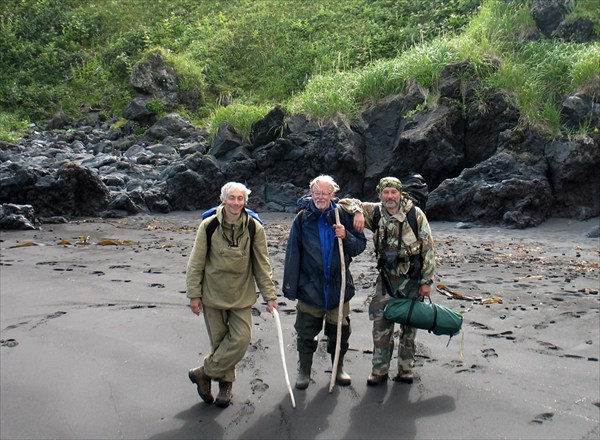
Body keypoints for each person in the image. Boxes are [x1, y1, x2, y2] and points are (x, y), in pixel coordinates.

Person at [186, 182, 278, 408]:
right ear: (223, 199)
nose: (236, 203)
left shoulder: (255, 228)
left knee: (240, 340)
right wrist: (194, 295)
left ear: (245, 202)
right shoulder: (208, 226)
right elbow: (196, 263)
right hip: (212, 294)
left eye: (240, 199)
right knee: (219, 343)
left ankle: (203, 373)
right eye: (232, 198)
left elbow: (262, 265)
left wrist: (270, 296)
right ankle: (225, 387)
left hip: (241, 295)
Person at [340, 176, 435, 385]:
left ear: (400, 193)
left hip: (412, 277)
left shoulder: (415, 214)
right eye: (385, 192)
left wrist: (426, 281)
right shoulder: (375, 212)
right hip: (386, 278)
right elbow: (344, 202)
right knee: (381, 323)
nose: (390, 196)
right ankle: (379, 370)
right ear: (380, 194)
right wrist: (357, 211)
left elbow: (428, 248)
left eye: (393, 192)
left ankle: (405, 369)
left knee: (409, 327)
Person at [283, 175, 367, 389]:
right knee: (305, 332)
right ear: (311, 194)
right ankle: (304, 372)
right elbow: (293, 254)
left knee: (339, 332)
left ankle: (338, 368)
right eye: (316, 193)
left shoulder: (343, 216)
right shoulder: (302, 219)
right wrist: (291, 288)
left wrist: (346, 235)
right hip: (310, 287)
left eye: (325, 193)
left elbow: (359, 247)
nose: (320, 197)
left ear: (333, 195)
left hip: (338, 288)